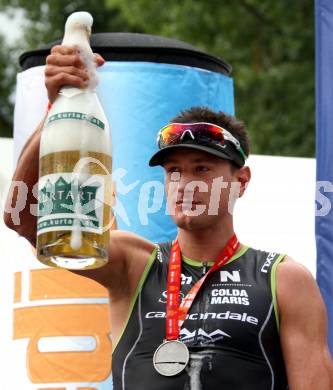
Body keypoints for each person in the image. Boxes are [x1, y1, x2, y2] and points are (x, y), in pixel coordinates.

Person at [4, 45, 333, 390]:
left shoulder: (283, 279)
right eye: (174, 171)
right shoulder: (135, 265)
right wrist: (59, 108)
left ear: (241, 182)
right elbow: (23, 219)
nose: (185, 184)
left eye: (202, 169)